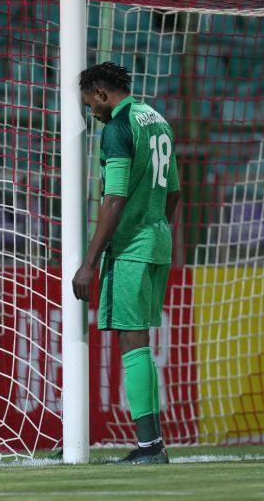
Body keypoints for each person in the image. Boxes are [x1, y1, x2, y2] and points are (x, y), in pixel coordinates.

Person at [72, 62, 180, 464]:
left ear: (101, 93)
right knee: (140, 343)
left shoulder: (118, 128)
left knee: (132, 343)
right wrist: (153, 227)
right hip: (158, 243)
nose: (92, 112)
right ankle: (153, 444)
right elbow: (174, 192)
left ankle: (150, 447)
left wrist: (89, 261)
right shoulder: (157, 120)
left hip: (131, 247)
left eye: (91, 104)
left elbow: (114, 197)